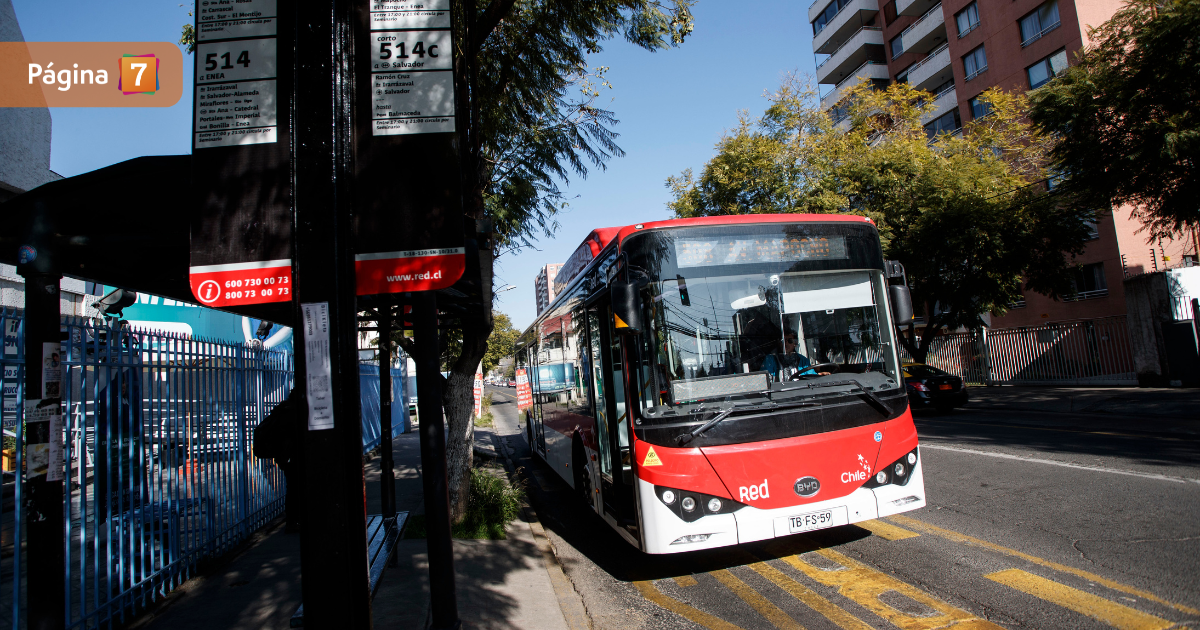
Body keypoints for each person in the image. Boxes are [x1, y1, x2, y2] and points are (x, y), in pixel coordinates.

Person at [253, 387, 305, 532]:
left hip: (285, 457)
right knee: (297, 488)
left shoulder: (283, 409)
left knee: (293, 487)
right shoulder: (294, 412)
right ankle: (294, 520)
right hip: (293, 456)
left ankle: (293, 520)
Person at [762, 333, 831, 380]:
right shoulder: (770, 360)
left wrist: (818, 375)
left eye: (790, 341)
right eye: (783, 340)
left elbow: (810, 375)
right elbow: (766, 380)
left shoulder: (803, 360)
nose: (786, 343)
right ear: (778, 343)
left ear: (795, 343)